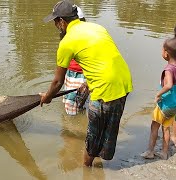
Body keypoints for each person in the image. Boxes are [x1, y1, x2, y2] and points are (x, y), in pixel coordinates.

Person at [40, 0, 133, 166]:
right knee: (108, 131)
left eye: (55, 21)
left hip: (104, 88)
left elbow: (57, 82)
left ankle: (87, 170)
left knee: (92, 137)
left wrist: (46, 97)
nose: (55, 25)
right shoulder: (97, 27)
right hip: (124, 82)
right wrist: (88, 82)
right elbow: (102, 59)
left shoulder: (67, 42)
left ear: (62, 21)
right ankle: (101, 164)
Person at [140, 37, 176, 160]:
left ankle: (150, 151)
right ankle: (164, 152)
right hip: (174, 104)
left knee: (154, 127)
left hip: (164, 104)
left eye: (162, 49)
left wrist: (158, 94)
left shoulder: (169, 69)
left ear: (166, 53)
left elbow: (168, 85)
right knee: (166, 128)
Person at [62, 6, 87, 115]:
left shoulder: (85, 34)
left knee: (71, 103)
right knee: (75, 100)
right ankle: (78, 118)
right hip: (70, 71)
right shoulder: (66, 34)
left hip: (81, 73)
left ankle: (71, 126)